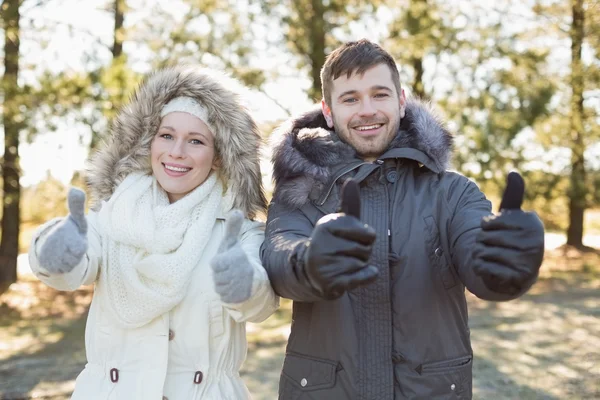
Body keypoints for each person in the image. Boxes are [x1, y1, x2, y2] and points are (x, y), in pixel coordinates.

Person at [260, 39, 544, 399]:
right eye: (350, 98)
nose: (367, 110)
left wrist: (508, 262)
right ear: (328, 111)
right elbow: (279, 254)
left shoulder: (453, 193)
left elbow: (479, 255)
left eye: (379, 94)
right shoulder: (298, 195)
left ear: (401, 101)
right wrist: (313, 260)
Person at [28, 66, 279, 400]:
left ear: (218, 158)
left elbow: (259, 304)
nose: (176, 151)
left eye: (196, 141)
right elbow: (76, 265)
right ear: (148, 142)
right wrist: (54, 250)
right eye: (166, 135)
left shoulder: (238, 233)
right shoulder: (113, 216)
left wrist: (244, 284)